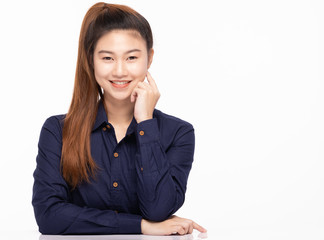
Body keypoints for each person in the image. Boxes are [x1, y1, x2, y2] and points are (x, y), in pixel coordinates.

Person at [32, 2, 206, 236]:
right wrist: (141, 226)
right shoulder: (58, 130)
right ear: (90, 60)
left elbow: (157, 209)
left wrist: (145, 123)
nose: (120, 71)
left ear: (149, 58)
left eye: (132, 57)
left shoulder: (178, 133)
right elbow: (49, 216)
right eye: (107, 58)